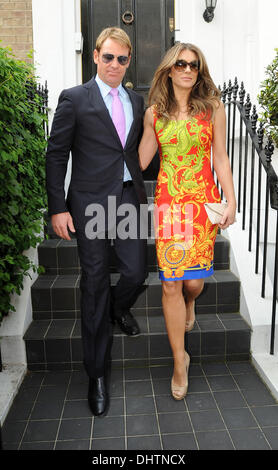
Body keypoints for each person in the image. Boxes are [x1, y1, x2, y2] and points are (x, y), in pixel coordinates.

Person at [46, 27, 148, 416]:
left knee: (136, 273)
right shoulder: (74, 99)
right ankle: (97, 374)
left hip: (125, 199)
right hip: (87, 204)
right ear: (95, 56)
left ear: (128, 60)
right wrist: (58, 207)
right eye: (108, 57)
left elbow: (138, 151)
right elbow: (56, 156)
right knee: (93, 283)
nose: (115, 65)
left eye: (122, 59)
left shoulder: (135, 101)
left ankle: (116, 309)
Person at [139, 42, 236, 400]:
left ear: (199, 72)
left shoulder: (213, 109)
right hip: (170, 207)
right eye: (180, 63)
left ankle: (193, 300)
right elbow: (141, 158)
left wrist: (231, 199)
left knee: (193, 283)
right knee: (170, 284)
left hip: (202, 205)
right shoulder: (154, 114)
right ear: (168, 69)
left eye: (194, 65)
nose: (187, 69)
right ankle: (181, 360)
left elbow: (221, 159)